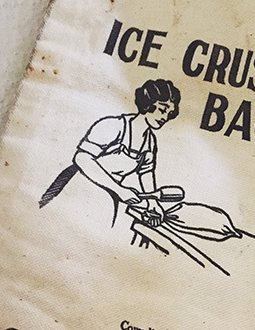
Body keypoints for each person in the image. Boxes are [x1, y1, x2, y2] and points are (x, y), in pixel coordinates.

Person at [39, 79, 181, 228]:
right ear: (148, 103)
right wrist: (120, 190)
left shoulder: (149, 142)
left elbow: (146, 175)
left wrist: (153, 203)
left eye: (169, 113)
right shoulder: (114, 126)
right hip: (78, 183)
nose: (165, 117)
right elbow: (82, 158)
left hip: (107, 194)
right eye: (162, 110)